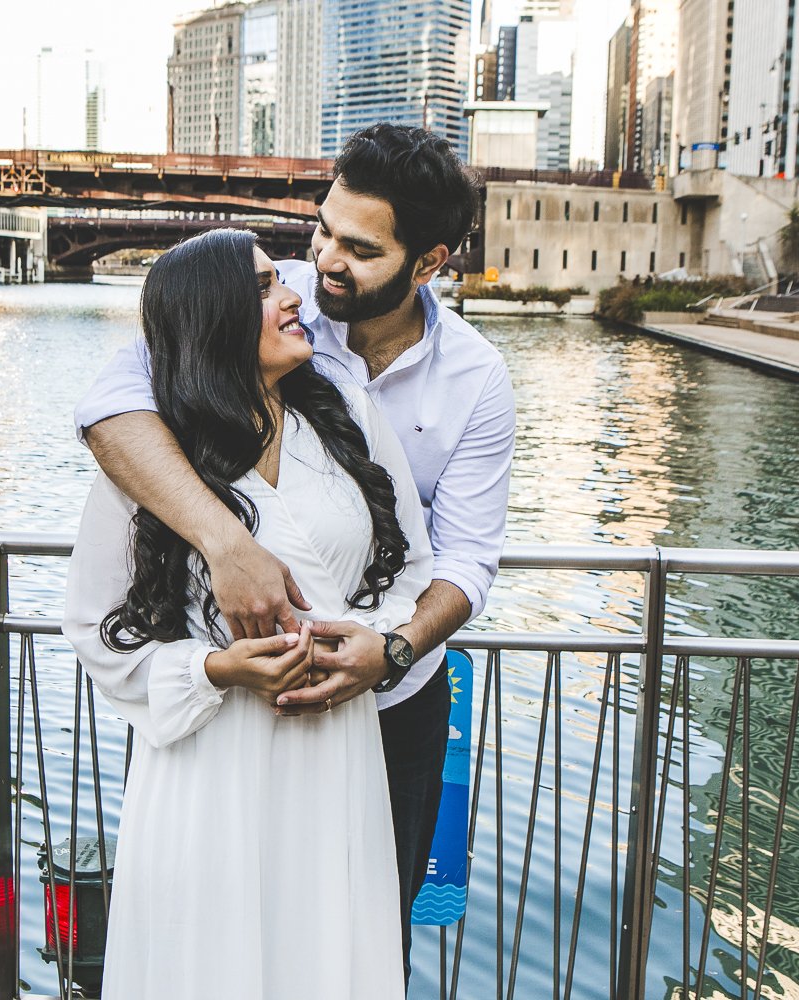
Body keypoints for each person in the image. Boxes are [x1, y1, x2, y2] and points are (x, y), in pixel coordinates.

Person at [73, 123, 516, 976]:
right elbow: (113, 408)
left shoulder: (477, 378)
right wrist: (223, 538)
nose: (323, 262)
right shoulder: (267, 308)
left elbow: (462, 561)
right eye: (321, 230)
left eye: (357, 246)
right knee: (214, 943)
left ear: (428, 263)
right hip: (226, 732)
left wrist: (386, 651)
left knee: (355, 933)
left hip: (388, 709)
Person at [64, 228, 432, 998]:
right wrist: (212, 668)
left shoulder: (348, 421)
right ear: (214, 318)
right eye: (265, 287)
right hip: (210, 766)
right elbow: (94, 628)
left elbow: (415, 574)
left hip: (336, 752)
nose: (295, 295)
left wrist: (377, 644)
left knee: (329, 956)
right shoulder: (157, 461)